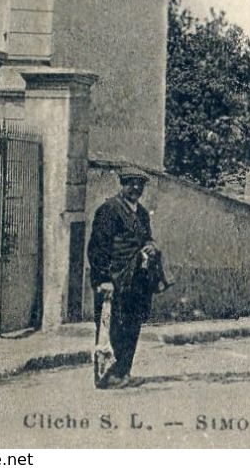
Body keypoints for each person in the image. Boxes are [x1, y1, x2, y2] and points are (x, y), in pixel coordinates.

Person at [87, 167, 166, 389]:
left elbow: (146, 239)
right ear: (122, 185)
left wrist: (151, 246)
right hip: (114, 280)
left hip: (135, 280)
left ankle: (123, 373)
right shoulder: (109, 210)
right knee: (110, 327)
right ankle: (105, 377)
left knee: (131, 326)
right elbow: (97, 248)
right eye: (131, 183)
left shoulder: (141, 213)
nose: (136, 188)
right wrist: (103, 279)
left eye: (140, 185)